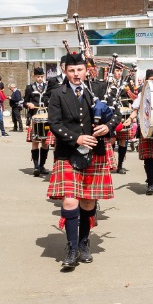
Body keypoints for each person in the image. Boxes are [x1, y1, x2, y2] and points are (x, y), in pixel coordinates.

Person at [46, 51, 113, 269]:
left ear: (86, 70)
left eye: (80, 70)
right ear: (65, 71)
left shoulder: (99, 89)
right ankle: (72, 247)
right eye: (72, 70)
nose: (76, 74)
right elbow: (54, 124)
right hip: (68, 152)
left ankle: (84, 242)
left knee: (87, 201)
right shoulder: (57, 93)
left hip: (95, 152)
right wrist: (77, 138)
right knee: (70, 201)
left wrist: (108, 127)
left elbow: (118, 115)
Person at [25, 67, 52, 176]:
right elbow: (24, 101)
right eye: (38, 77)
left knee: (45, 142)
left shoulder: (48, 87)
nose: (40, 79)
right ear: (34, 77)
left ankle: (42, 166)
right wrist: (28, 104)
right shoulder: (29, 87)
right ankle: (36, 167)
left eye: (41, 76)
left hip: (46, 117)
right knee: (35, 141)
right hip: (35, 117)